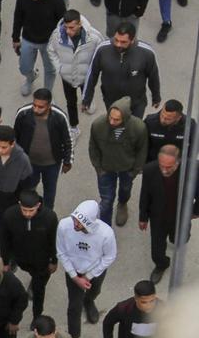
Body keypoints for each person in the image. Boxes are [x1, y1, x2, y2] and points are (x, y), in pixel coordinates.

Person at [56, 199, 116, 338]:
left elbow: (109, 256)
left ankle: (89, 301)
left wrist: (88, 276)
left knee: (95, 290)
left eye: (80, 222)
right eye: (75, 219)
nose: (75, 224)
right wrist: (75, 277)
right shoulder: (64, 226)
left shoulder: (106, 233)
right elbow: (61, 252)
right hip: (74, 271)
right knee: (74, 307)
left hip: (96, 270)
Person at [139, 145, 199, 282]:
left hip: (182, 215)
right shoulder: (150, 170)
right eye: (162, 166)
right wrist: (143, 217)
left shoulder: (193, 169)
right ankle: (161, 264)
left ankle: (176, 239)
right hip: (158, 217)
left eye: (169, 167)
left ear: (178, 162)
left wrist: (196, 211)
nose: (164, 170)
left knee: (180, 238)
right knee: (157, 250)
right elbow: (145, 194)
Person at [0, 191, 58, 320]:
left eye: (31, 210)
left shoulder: (49, 218)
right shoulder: (9, 215)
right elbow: (4, 240)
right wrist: (5, 262)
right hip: (19, 256)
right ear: (19, 204)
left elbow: (54, 241)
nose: (27, 214)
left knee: (39, 291)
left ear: (38, 205)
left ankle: (37, 317)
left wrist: (54, 260)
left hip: (41, 262)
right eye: (24, 210)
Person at [87, 97, 148, 226]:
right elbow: (93, 147)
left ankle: (122, 203)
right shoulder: (98, 125)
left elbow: (142, 150)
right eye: (110, 117)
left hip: (127, 168)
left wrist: (134, 171)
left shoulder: (138, 128)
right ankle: (105, 229)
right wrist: (98, 168)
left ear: (125, 118)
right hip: (105, 168)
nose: (112, 121)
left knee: (125, 190)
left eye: (116, 119)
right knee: (106, 201)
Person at [81, 22, 161, 119]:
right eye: (116, 40)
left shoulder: (146, 53)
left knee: (134, 127)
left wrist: (156, 97)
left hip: (136, 103)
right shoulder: (102, 49)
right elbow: (92, 74)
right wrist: (86, 99)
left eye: (123, 42)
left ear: (132, 40)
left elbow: (153, 77)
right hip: (111, 102)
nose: (118, 44)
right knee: (114, 125)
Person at [48, 10, 104, 140]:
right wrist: (60, 68)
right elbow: (51, 50)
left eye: (72, 27)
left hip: (86, 76)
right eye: (66, 27)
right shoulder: (57, 36)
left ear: (79, 24)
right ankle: (74, 127)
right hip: (67, 77)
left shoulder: (94, 37)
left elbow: (101, 52)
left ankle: (87, 102)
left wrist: (94, 70)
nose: (68, 31)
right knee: (70, 101)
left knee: (87, 93)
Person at [14, 91, 73, 210]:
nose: (36, 109)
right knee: (28, 190)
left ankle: (47, 215)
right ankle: (28, 212)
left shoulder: (60, 117)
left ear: (49, 105)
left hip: (52, 165)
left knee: (49, 193)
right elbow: (14, 137)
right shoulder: (23, 113)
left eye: (40, 107)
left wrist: (68, 161)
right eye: (34, 105)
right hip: (29, 163)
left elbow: (68, 140)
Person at [11, 0, 66, 96]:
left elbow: (62, 22)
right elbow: (18, 17)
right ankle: (30, 78)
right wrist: (15, 38)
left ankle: (47, 94)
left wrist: (61, 42)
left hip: (49, 42)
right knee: (24, 67)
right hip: (28, 38)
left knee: (50, 70)